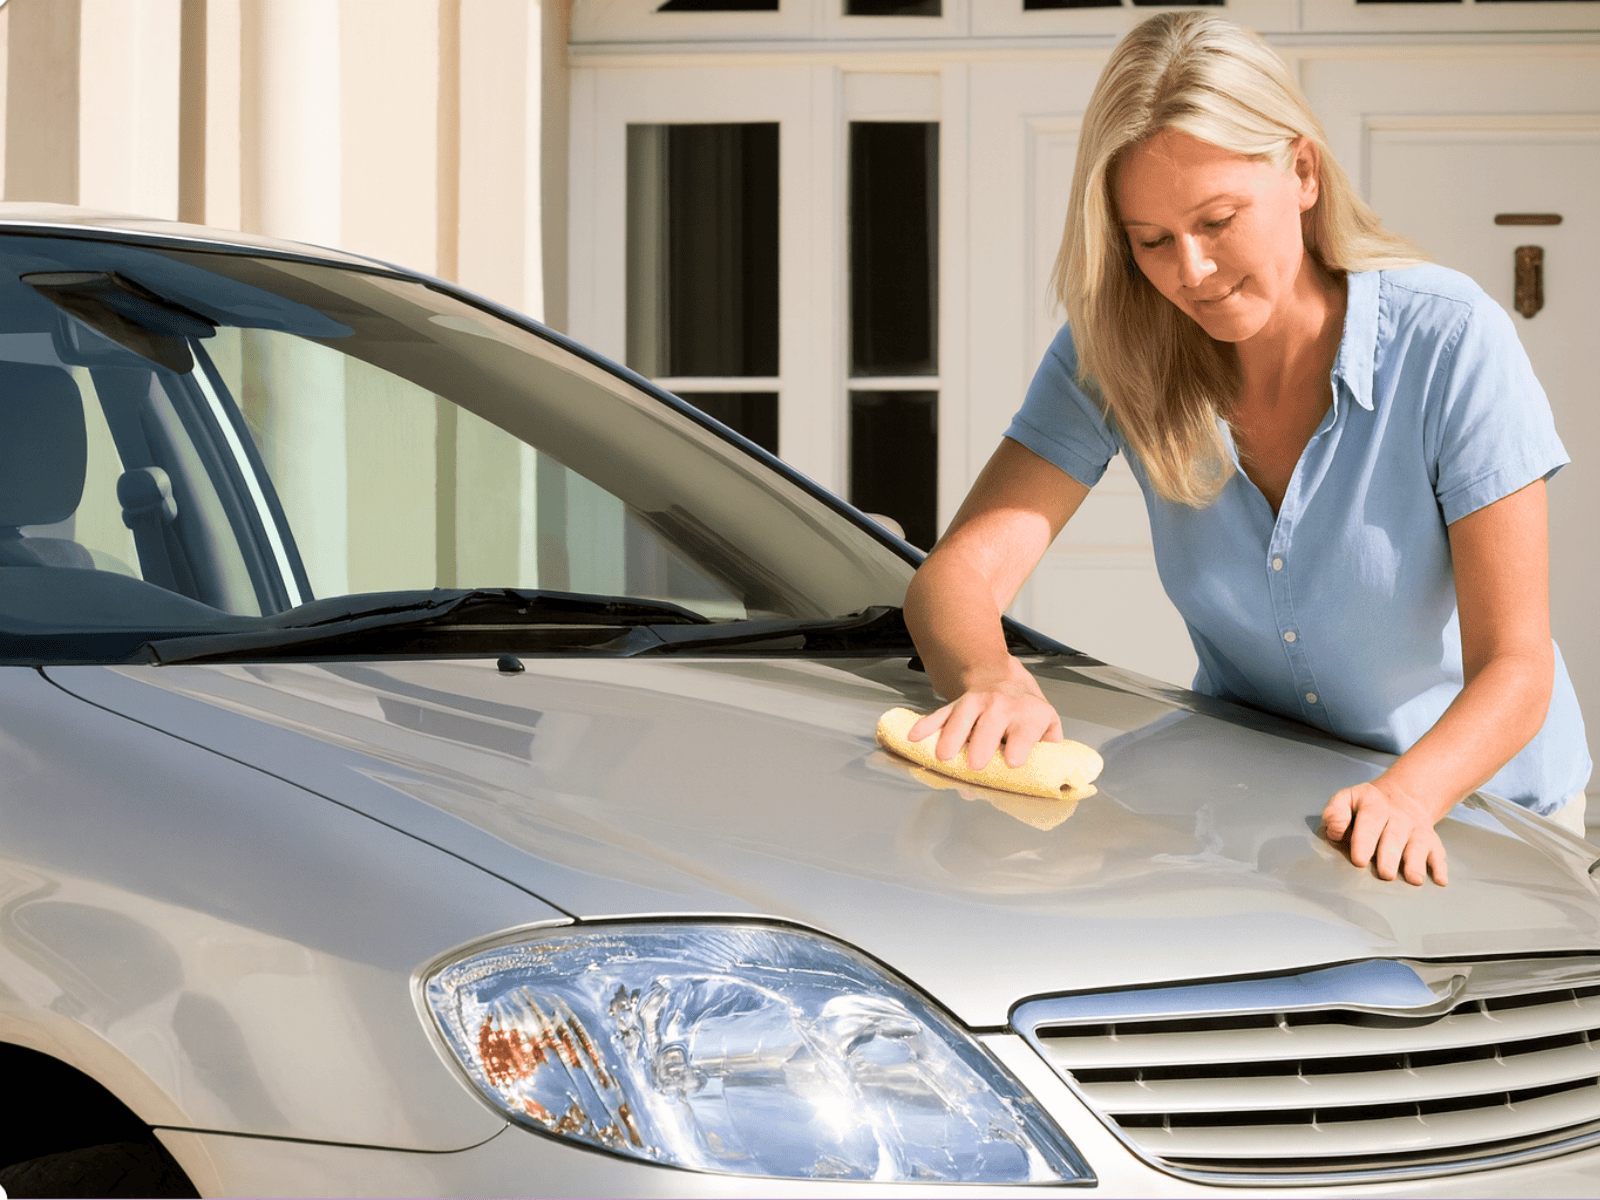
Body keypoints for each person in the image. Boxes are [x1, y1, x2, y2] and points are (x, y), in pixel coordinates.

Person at [903, 10, 1590, 888]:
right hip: (1264, 812)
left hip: (1483, 817)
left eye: (1218, 220)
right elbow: (955, 579)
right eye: (1150, 241)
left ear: (1301, 173)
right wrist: (988, 677)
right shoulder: (1114, 350)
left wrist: (1409, 798)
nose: (1189, 269)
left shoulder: (1451, 343)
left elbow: (1518, 668)